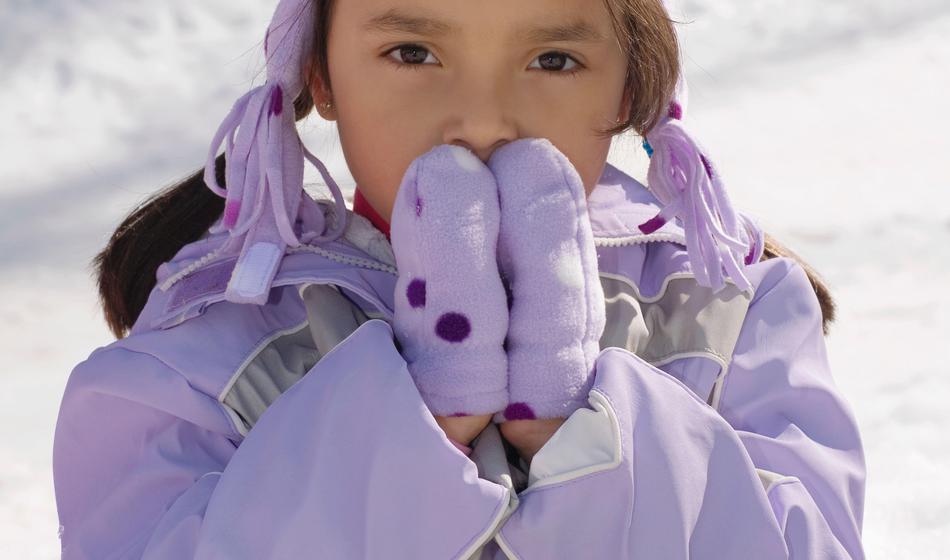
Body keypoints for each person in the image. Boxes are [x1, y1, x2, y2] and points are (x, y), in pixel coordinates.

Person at [52, 0, 866, 558]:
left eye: (553, 59)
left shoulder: (726, 314)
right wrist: (413, 424)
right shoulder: (206, 349)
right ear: (321, 76)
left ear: (629, 89)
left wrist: (585, 431)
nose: (481, 119)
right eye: (413, 52)